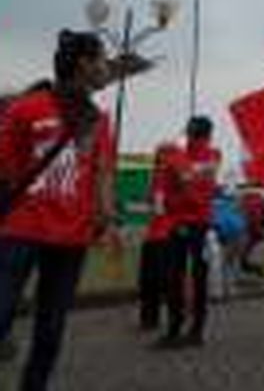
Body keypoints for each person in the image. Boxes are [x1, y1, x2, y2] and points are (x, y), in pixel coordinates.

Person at [0, 30, 117, 391]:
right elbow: (5, 166)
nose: (105, 67)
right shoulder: (27, 107)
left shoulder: (98, 120)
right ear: (83, 63)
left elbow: (102, 172)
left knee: (50, 331)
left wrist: (105, 217)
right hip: (21, 231)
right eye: (101, 59)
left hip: (71, 238)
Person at [155, 115, 222, 348]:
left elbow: (181, 183)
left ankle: (178, 330)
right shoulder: (209, 156)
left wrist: (178, 184)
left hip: (185, 223)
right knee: (193, 277)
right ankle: (194, 330)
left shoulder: (181, 156)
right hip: (197, 224)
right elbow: (179, 184)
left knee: (177, 277)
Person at [138, 142, 180, 331]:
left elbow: (161, 206)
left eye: (161, 155)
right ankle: (149, 318)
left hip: (166, 234)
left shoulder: (174, 176)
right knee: (148, 280)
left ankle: (171, 318)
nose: (159, 160)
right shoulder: (156, 177)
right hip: (154, 234)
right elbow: (153, 206)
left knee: (163, 280)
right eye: (158, 156)